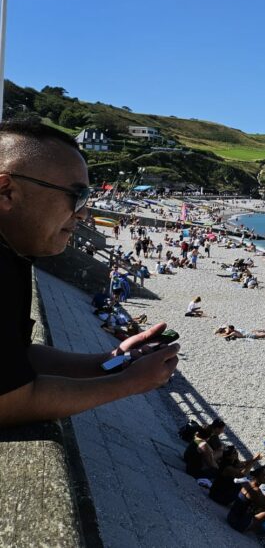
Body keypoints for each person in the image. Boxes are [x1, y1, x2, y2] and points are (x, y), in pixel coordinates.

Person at [0, 120, 179, 426]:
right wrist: (131, 382)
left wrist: (113, 361)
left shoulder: (12, 254)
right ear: (6, 191)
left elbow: (18, 359)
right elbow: (9, 401)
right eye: (76, 196)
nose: (84, 212)